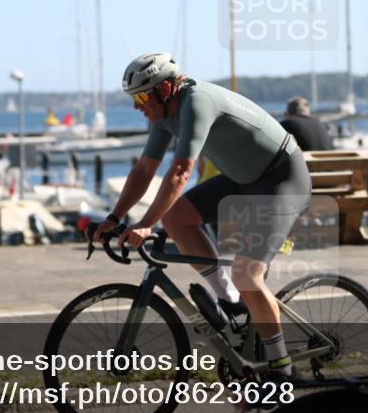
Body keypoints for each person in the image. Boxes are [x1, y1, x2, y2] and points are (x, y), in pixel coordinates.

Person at [93, 52, 312, 377]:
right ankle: (230, 302)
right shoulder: (163, 117)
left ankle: (282, 370)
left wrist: (145, 224)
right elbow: (143, 170)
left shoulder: (197, 102)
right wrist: (114, 218)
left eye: (141, 97)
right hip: (245, 179)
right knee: (178, 218)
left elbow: (180, 173)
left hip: (282, 178)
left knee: (247, 273)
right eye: (133, 99)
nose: (137, 106)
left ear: (164, 90)